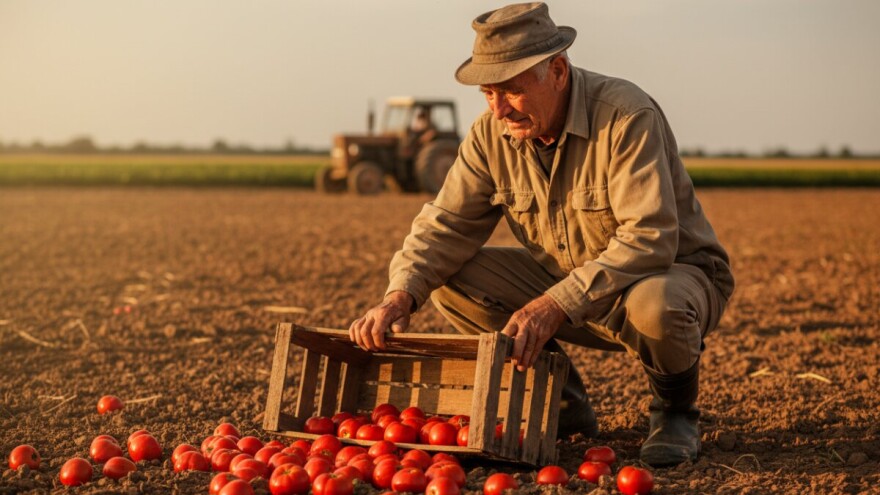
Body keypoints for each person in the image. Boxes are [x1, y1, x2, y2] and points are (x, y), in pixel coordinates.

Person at [348, 2, 734, 467]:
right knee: (450, 276)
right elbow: (445, 224)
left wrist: (555, 303)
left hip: (670, 275)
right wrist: (399, 295)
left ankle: (674, 412)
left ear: (557, 69)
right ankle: (563, 407)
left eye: (511, 90)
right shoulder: (490, 133)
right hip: (570, 281)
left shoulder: (626, 116)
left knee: (658, 306)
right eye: (489, 92)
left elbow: (650, 238)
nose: (498, 107)